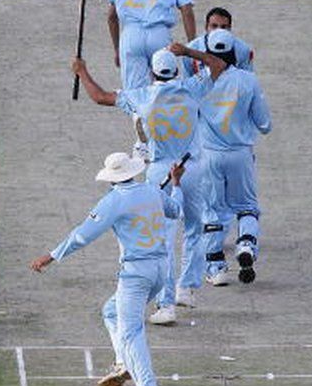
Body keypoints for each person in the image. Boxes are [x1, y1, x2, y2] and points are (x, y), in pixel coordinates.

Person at [71, 48, 225, 325]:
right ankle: (187, 287)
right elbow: (217, 64)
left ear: (152, 73)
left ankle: (165, 305)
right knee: (195, 228)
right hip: (192, 168)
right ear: (176, 71)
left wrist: (82, 71)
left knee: (164, 239)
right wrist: (188, 51)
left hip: (158, 172)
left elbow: (100, 97)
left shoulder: (141, 96)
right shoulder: (192, 87)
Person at [30, 152, 185, 386]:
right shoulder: (152, 190)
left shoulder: (114, 200)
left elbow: (82, 235)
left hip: (136, 275)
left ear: (112, 178)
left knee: (131, 332)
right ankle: (123, 362)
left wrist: (51, 256)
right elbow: (176, 210)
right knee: (112, 312)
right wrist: (176, 183)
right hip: (161, 271)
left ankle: (148, 384)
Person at [169, 30, 271, 287]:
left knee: (212, 211)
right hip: (241, 154)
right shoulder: (249, 81)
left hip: (209, 156)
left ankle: (216, 267)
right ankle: (246, 244)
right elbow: (264, 124)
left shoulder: (198, 84)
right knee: (247, 206)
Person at [108, 0, 196, 94]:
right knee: (166, 90)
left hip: (131, 36)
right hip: (160, 35)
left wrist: (116, 49)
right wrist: (192, 47)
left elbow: (111, 17)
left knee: (134, 95)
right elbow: (187, 11)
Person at [179, 7, 253, 78]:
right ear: (206, 27)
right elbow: (186, 80)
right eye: (214, 26)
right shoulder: (191, 49)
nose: (218, 30)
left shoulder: (243, 49)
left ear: (230, 28)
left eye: (223, 27)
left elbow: (247, 79)